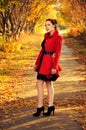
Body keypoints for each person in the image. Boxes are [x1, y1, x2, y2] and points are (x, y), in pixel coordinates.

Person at [33, 18, 62, 117]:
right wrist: (37, 63)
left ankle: (49, 106)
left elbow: (58, 53)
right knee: (39, 83)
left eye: (48, 25)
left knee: (48, 84)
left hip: (50, 62)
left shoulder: (58, 37)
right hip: (43, 62)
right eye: (45, 25)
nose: (46, 27)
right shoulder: (46, 36)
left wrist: (54, 66)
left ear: (54, 25)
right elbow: (42, 51)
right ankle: (41, 106)